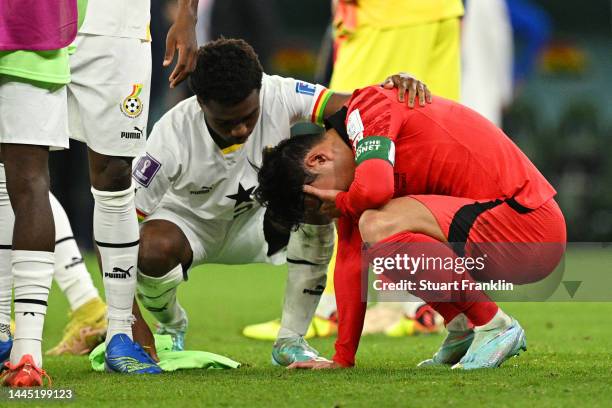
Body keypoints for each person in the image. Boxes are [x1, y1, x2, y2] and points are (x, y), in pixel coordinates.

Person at [129, 38, 431, 365]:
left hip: (258, 223)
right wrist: (132, 325)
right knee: (150, 249)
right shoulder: (168, 138)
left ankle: (291, 340)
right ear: (201, 102)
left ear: (260, 90)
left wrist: (390, 88)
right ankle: (170, 326)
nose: (241, 129)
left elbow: (353, 105)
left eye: (249, 115)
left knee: (313, 201)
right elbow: (116, 232)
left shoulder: (278, 92)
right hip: (187, 229)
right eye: (226, 123)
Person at [255, 85, 566, 369]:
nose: (333, 207)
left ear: (319, 159)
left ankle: (496, 326)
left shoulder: (368, 107)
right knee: (378, 240)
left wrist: (346, 203)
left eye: (323, 204)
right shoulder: (351, 175)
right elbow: (350, 263)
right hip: (497, 236)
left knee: (376, 225)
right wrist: (342, 358)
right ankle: (461, 328)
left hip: (531, 225)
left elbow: (375, 189)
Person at [245, 0, 465, 340]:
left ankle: (330, 305)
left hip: (385, 15)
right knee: (420, 140)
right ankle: (421, 304)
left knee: (351, 138)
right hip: (430, 12)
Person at [0, 0, 78, 387]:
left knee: (26, 185)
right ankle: (26, 351)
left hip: (36, 37)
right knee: (30, 184)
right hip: (38, 37)